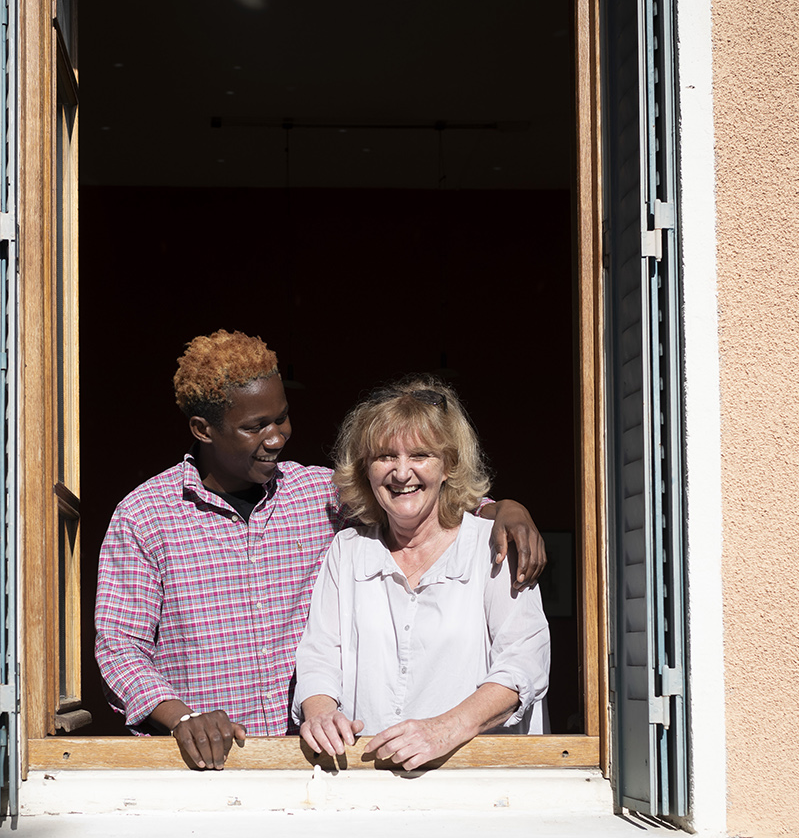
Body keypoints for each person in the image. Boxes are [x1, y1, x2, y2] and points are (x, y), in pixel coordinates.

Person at [94, 330, 545, 770]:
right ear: (203, 429)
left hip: (306, 761)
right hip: (208, 763)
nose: (276, 437)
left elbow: (416, 497)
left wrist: (505, 508)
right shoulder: (145, 517)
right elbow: (119, 647)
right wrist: (182, 717)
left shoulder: (315, 493)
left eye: (281, 418)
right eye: (255, 427)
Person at [293, 376, 550, 770]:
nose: (401, 472)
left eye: (420, 455)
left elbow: (523, 664)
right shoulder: (347, 551)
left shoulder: (492, 546)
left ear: (448, 465)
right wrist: (321, 711)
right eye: (384, 456)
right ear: (365, 470)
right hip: (368, 778)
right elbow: (320, 655)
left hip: (477, 780)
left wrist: (445, 729)